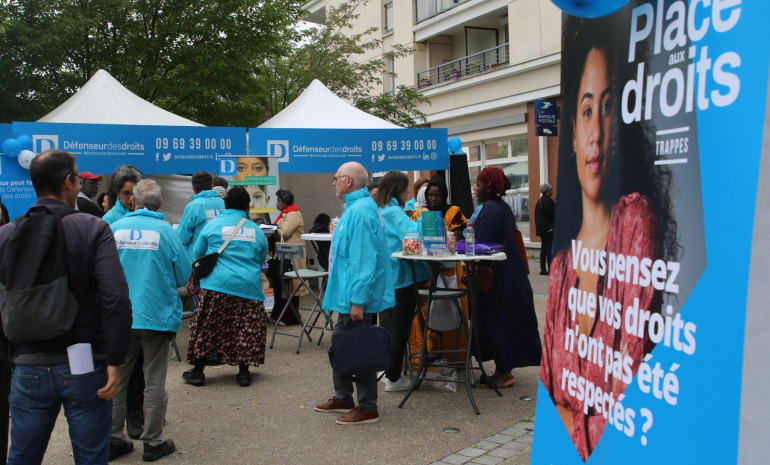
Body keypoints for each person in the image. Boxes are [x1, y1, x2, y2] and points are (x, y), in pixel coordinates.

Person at [540, 15, 675, 461]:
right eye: (584, 111)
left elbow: (625, 412)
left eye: (609, 107)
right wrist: (575, 417)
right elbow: (548, 387)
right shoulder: (561, 267)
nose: (595, 131)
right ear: (573, 137)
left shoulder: (634, 220)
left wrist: (566, 417)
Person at [0, 150, 132, 464]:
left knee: (22, 456)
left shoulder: (6, 234)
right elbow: (116, 297)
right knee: (90, 457)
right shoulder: (92, 228)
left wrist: (10, 356)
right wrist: (116, 358)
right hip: (84, 362)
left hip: (27, 362)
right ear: (69, 182)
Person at [109, 180, 190, 462]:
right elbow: (183, 275)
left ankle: (113, 438)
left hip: (120, 317)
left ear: (133, 202)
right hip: (155, 315)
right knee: (153, 380)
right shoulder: (166, 231)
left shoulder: (114, 229)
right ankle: (153, 441)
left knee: (117, 379)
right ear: (159, 203)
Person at [314, 162, 395, 425]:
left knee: (357, 346)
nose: (334, 182)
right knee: (344, 342)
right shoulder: (356, 208)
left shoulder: (360, 210)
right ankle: (344, 397)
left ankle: (367, 406)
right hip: (350, 294)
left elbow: (364, 260)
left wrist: (358, 300)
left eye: (335, 178)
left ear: (348, 181)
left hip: (356, 296)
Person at [183, 187, 269, 387]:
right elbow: (262, 258)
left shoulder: (213, 226)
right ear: (247, 206)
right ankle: (244, 373)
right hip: (247, 288)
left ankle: (197, 372)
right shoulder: (255, 229)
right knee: (244, 329)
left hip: (216, 286)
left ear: (225, 204)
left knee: (208, 328)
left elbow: (197, 253)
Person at [472, 167, 542, 391]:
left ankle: (504, 373)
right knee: (501, 320)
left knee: (497, 321)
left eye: (479, 185)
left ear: (490, 187)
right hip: (509, 273)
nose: (476, 188)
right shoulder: (499, 206)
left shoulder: (492, 208)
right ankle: (502, 369)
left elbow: (484, 243)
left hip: (499, 276)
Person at [374, 171, 431, 392]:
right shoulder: (394, 211)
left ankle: (386, 368)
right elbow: (415, 232)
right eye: (405, 188)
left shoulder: (378, 209)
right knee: (399, 328)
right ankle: (394, 377)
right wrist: (422, 216)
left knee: (387, 326)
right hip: (402, 276)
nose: (408, 192)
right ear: (397, 189)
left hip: (385, 276)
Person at [409, 175, 469, 360]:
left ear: (444, 196)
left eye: (438, 195)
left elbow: (458, 240)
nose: (433, 199)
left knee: (451, 312)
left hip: (449, 270)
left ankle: (453, 358)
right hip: (425, 272)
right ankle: (425, 358)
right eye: (430, 195)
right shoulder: (419, 214)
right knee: (424, 314)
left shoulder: (453, 212)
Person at [271, 189, 308, 323]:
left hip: (292, 255)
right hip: (285, 253)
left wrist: (273, 229)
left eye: (279, 201)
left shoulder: (292, 214)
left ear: (285, 202)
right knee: (281, 284)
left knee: (291, 285)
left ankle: (290, 317)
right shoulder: (286, 213)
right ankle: (279, 314)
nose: (277, 203)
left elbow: (284, 234)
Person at [176, 171, 225, 261]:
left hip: (199, 262)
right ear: (212, 186)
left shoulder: (193, 206)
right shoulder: (224, 204)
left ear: (193, 189)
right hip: (223, 257)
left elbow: (182, 236)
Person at [535, 183, 555, 275]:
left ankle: (543, 268)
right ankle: (551, 269)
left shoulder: (539, 201)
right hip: (548, 228)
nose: (552, 191)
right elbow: (554, 213)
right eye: (550, 190)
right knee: (549, 248)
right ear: (546, 191)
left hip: (541, 228)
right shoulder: (547, 201)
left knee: (544, 247)